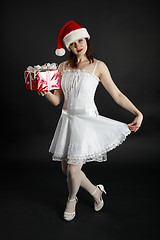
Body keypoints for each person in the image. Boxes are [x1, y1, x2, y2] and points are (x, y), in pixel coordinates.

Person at [38, 21, 143, 221]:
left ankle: (71, 199)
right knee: (65, 169)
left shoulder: (98, 66)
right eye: (73, 43)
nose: (78, 45)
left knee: (73, 169)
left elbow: (118, 95)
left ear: (86, 40)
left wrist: (138, 112)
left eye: (80, 40)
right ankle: (96, 192)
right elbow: (57, 100)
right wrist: (45, 91)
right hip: (67, 120)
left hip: (86, 122)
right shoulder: (62, 67)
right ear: (68, 47)